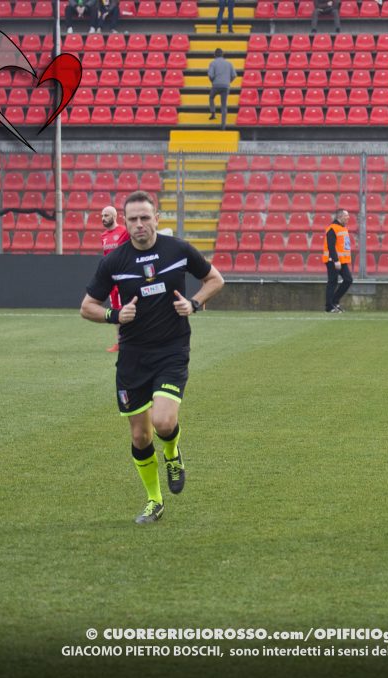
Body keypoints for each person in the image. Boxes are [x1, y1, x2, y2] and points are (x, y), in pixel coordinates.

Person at [80, 190, 225, 524]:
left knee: (162, 421)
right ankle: (154, 500)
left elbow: (215, 280)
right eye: (133, 219)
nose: (139, 224)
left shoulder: (178, 250)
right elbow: (87, 306)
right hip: (132, 356)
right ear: (125, 222)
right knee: (140, 436)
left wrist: (194, 304)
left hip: (171, 350)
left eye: (145, 217)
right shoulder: (114, 261)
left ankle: (173, 454)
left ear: (157, 218)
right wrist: (114, 316)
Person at [100, 205, 129, 353]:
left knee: (131, 308)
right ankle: (120, 342)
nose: (103, 218)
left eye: (106, 215)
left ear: (114, 216)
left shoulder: (124, 231)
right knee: (116, 310)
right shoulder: (103, 236)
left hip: (126, 278)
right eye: (102, 216)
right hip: (112, 280)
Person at [322, 208, 353, 313]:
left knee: (348, 280)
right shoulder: (332, 229)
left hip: (341, 260)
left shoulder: (342, 228)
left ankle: (334, 301)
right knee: (332, 282)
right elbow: (331, 246)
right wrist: (336, 260)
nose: (348, 217)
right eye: (346, 215)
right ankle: (329, 306)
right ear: (340, 217)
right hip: (333, 260)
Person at [207, 48, 237, 130]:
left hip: (216, 85)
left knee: (211, 97)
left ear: (215, 55)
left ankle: (213, 112)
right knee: (224, 105)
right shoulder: (229, 63)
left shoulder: (213, 63)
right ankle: (223, 125)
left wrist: (212, 81)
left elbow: (210, 75)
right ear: (222, 55)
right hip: (226, 86)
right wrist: (229, 81)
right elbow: (234, 75)